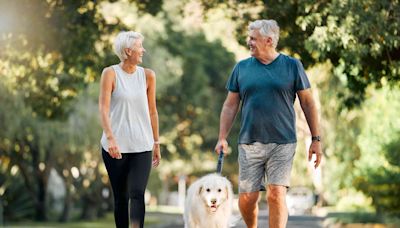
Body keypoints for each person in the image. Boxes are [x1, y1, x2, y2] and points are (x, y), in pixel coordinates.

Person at [214, 19, 322, 228]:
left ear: (269, 40)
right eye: (249, 38)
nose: (249, 42)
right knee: (247, 199)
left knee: (276, 194)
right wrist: (222, 137)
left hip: (283, 141)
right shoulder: (242, 68)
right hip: (249, 142)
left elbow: (308, 103)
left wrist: (316, 139)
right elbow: (230, 106)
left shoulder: (292, 66)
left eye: (253, 39)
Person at [99, 31, 161, 228]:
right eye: (139, 46)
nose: (143, 50)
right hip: (114, 147)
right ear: (128, 51)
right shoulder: (110, 73)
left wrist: (156, 142)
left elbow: (152, 111)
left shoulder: (148, 76)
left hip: (142, 145)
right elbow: (103, 108)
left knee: (137, 194)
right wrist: (110, 139)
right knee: (121, 197)